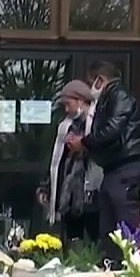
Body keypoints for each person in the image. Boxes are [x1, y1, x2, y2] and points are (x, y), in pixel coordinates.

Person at [66, 61, 140, 261]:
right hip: (113, 170)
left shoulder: (119, 96)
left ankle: (130, 267)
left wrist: (84, 142)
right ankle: (112, 265)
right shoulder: (108, 99)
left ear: (100, 80)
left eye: (90, 82)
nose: (90, 89)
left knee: (126, 229)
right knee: (110, 231)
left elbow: (111, 129)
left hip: (126, 170)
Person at [40, 80, 103, 244]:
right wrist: (47, 187)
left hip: (92, 194)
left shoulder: (98, 122)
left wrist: (82, 144)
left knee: (95, 242)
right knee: (72, 242)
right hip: (69, 196)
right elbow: (56, 161)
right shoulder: (65, 125)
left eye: (69, 104)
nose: (67, 110)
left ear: (80, 101)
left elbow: (102, 149)